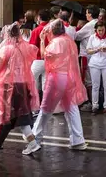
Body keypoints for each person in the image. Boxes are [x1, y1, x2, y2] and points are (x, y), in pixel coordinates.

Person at [0, 23, 41, 154]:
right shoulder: (25, 48)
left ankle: (32, 143)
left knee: (12, 116)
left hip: (10, 86)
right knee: (18, 115)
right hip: (23, 84)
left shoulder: (6, 49)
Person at [32, 20, 88, 150]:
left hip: (57, 77)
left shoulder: (56, 42)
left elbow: (44, 55)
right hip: (68, 77)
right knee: (71, 107)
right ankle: (78, 139)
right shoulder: (68, 41)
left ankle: (36, 135)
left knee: (46, 107)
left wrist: (41, 40)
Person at [86, 22, 106, 113]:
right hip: (95, 63)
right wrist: (97, 49)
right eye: (99, 30)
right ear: (96, 30)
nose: (101, 32)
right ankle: (95, 105)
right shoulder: (92, 37)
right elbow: (88, 51)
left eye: (102, 30)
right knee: (95, 85)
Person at [28, 9, 51, 99]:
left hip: (38, 59)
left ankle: (34, 107)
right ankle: (45, 107)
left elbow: (32, 47)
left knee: (32, 82)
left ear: (39, 17)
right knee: (46, 84)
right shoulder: (52, 29)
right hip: (49, 60)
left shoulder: (37, 30)